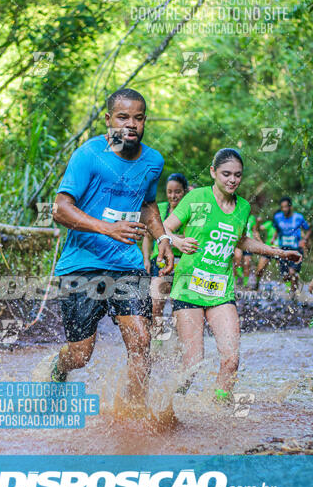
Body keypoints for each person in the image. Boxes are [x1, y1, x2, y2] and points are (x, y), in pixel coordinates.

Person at [49, 88, 174, 407]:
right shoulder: (88, 155)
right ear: (108, 120)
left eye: (138, 117)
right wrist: (108, 228)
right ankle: (56, 372)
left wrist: (162, 239)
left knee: (141, 340)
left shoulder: (153, 161)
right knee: (80, 355)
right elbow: (60, 208)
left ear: (145, 120)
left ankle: (134, 413)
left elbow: (147, 205)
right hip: (82, 266)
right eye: (123, 117)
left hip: (128, 265)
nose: (131, 124)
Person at [163, 148, 301, 402]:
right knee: (193, 362)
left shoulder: (243, 207)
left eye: (237, 175)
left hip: (220, 292)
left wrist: (278, 252)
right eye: (226, 174)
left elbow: (242, 241)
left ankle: (220, 410)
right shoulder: (196, 198)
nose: (232, 180)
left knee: (231, 360)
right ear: (214, 172)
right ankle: (168, 405)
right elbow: (164, 228)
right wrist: (177, 242)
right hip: (188, 288)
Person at [142, 173, 188, 343]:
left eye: (177, 192)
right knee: (156, 303)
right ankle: (157, 341)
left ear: (184, 192)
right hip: (159, 262)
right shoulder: (158, 209)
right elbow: (148, 236)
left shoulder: (189, 211)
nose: (173, 196)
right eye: (169, 192)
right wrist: (146, 259)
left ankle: (178, 343)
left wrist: (172, 238)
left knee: (179, 307)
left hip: (182, 263)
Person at [272, 197, 311, 297]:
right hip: (282, 249)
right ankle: (291, 289)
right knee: (285, 275)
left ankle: (293, 294)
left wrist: (304, 240)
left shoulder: (299, 217)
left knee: (292, 272)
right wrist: (273, 239)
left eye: (286, 207)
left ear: (290, 207)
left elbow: (309, 229)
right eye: (282, 207)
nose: (284, 209)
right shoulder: (277, 217)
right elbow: (277, 229)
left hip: (296, 249)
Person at [233, 213, 261, 288]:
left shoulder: (252, 218)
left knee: (247, 263)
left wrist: (259, 242)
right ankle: (238, 278)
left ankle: (245, 284)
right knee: (237, 259)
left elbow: (255, 231)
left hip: (248, 243)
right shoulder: (238, 215)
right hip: (238, 241)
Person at [254, 215, 278, 290]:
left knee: (285, 273)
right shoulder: (270, 223)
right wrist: (257, 222)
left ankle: (290, 293)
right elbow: (258, 229)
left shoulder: (286, 225)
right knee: (259, 270)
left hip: (280, 250)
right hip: (268, 249)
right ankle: (256, 286)